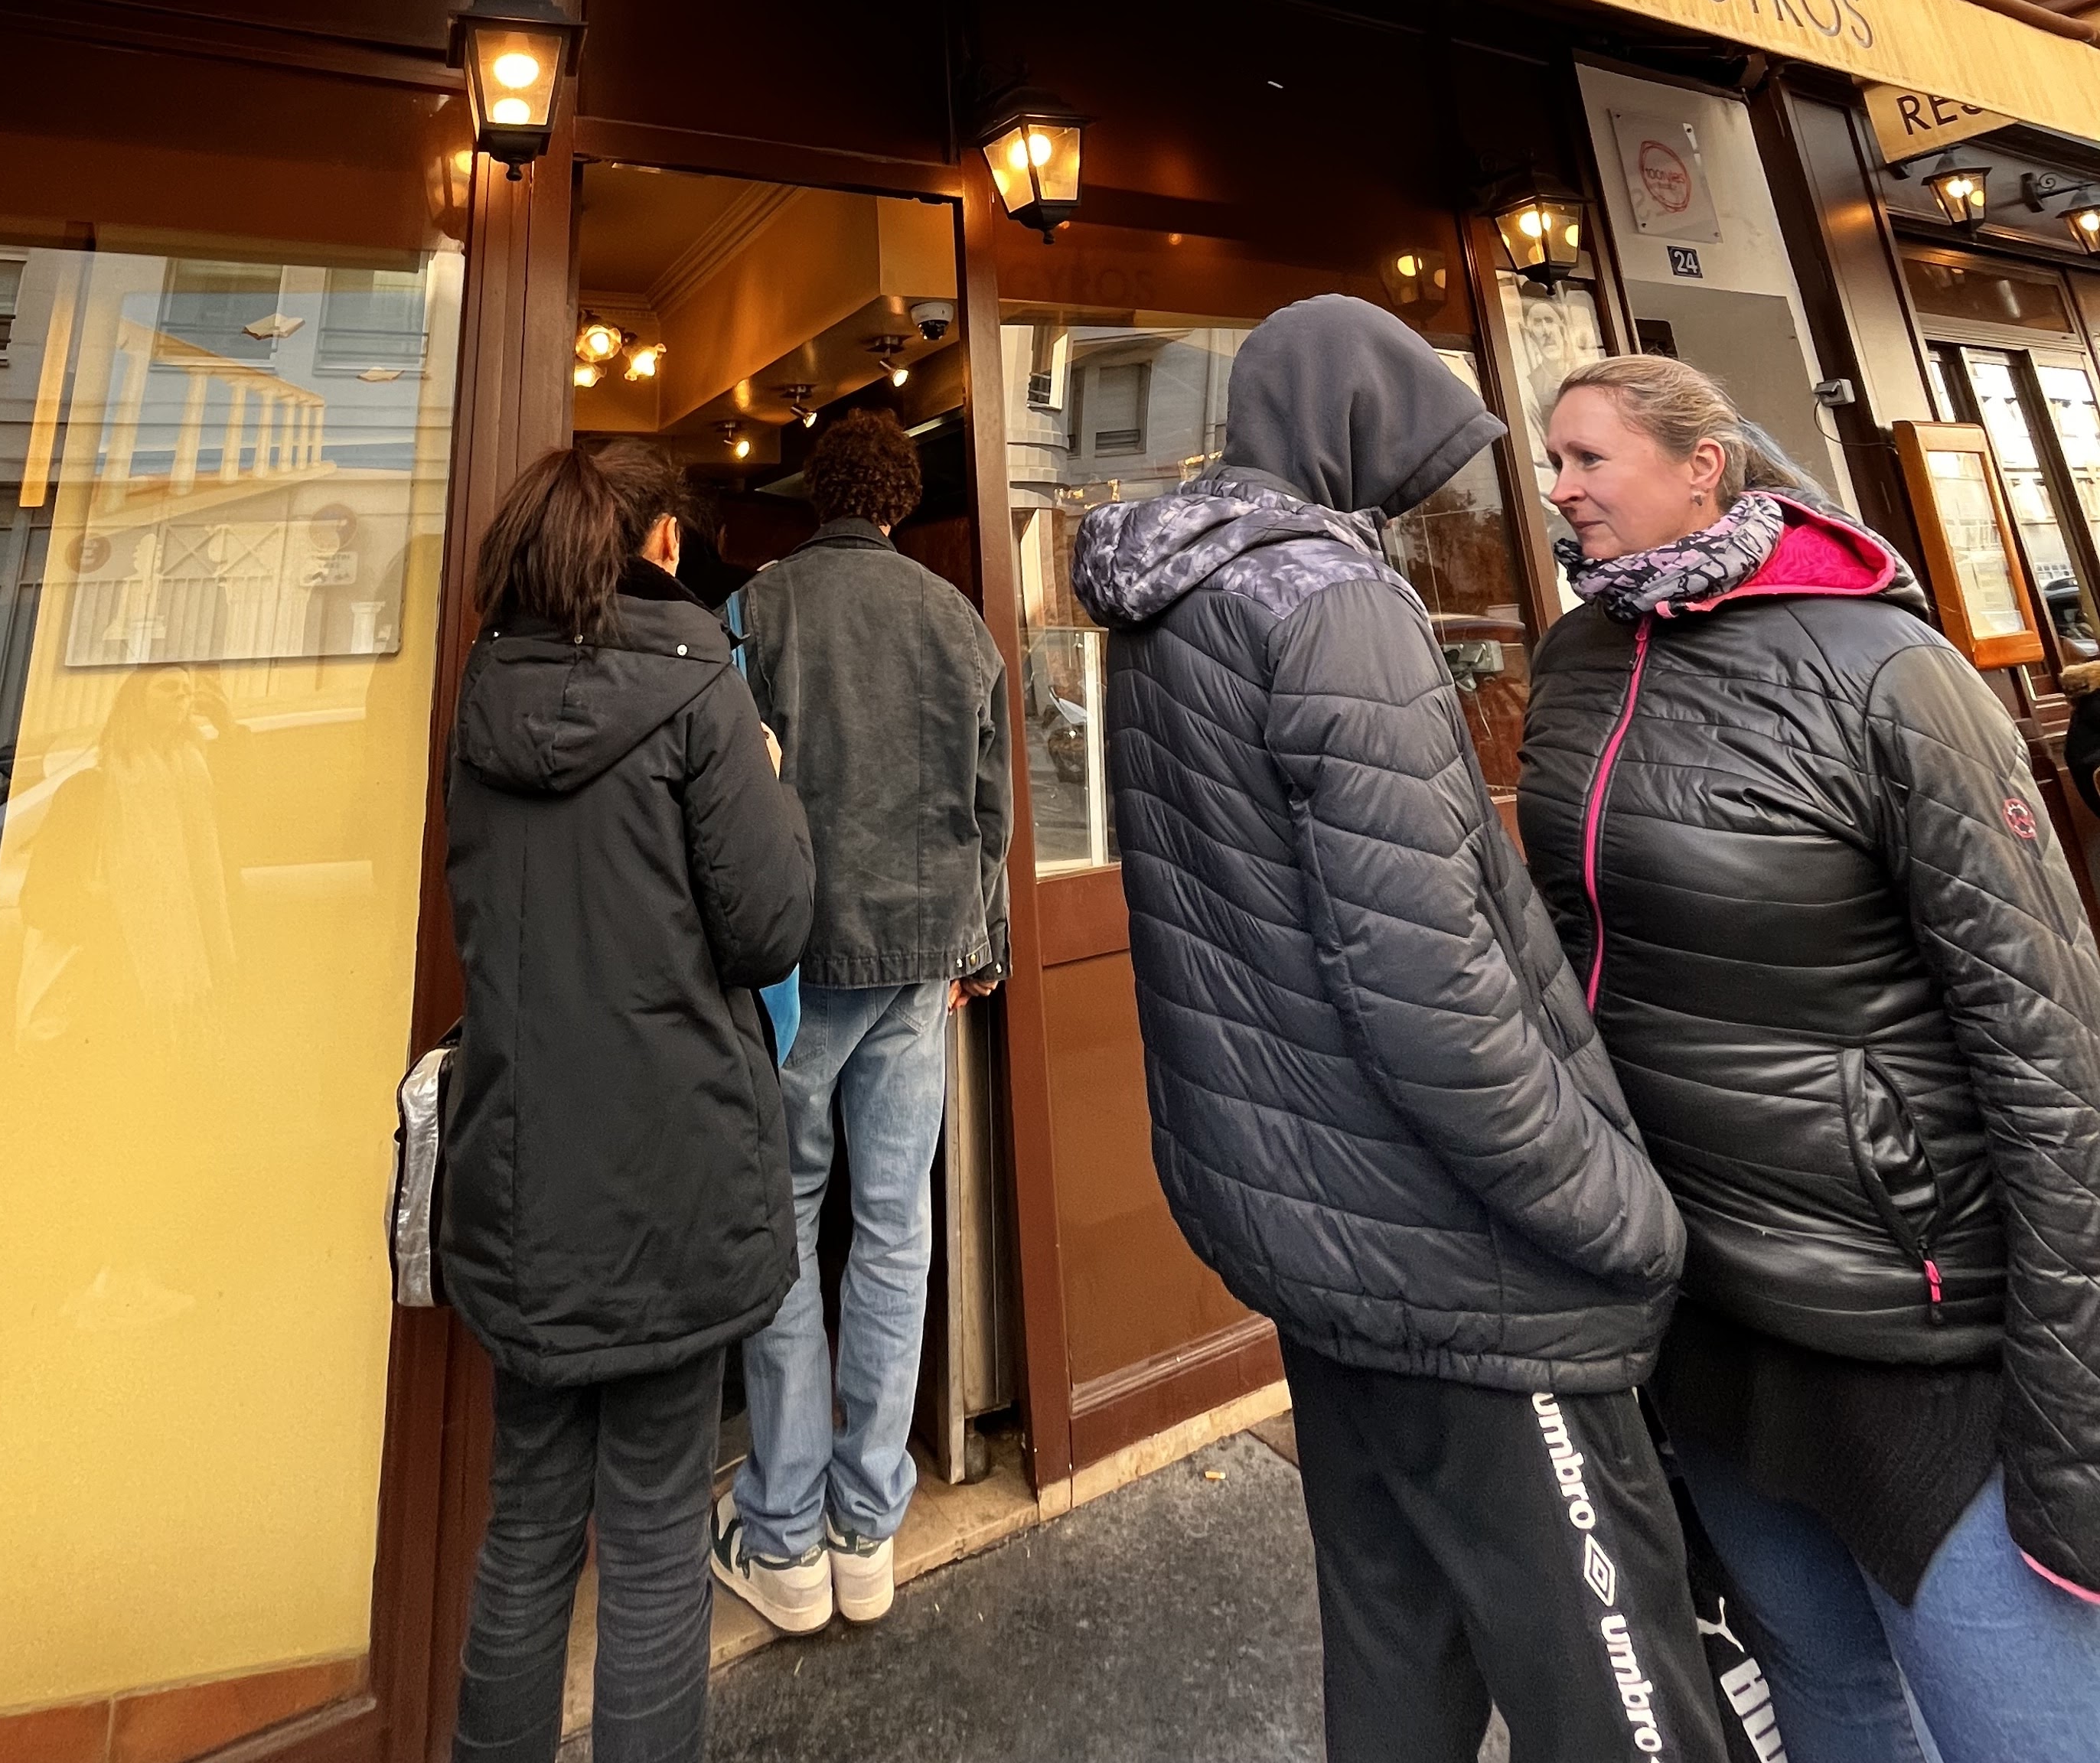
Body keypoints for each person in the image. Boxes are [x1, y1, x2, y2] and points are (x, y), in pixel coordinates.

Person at [1070, 295, 1727, 1763]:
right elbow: (1433, 980)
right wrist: (1620, 1213)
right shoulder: (1330, 601)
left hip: (1313, 1229)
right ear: (1353, 427)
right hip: (1459, 1255)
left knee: (1393, 1638)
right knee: (1616, 1686)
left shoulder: (1175, 599)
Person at [1518, 354, 2100, 1763]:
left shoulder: (1887, 671)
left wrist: (2075, 1389)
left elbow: (2049, 1042)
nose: (1559, 487)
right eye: (1553, 460)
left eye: (1589, 457)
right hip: (1704, 1308)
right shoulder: (1579, 661)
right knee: (1825, 1696)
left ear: (1701, 466)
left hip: (1909, 1329)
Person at [440, 442, 813, 1763]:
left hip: (523, 1174)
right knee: (654, 1541)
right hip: (673, 1177)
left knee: (527, 1529)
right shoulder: (701, 686)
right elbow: (771, 926)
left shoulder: (480, 694)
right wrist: (771, 775)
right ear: (658, 545)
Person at [714, 407, 1010, 1637]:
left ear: (817, 493)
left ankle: (782, 1534)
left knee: (783, 1222)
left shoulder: (760, 607)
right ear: (896, 501)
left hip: (794, 964)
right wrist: (980, 946)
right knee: (896, 1226)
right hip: (921, 962)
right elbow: (990, 806)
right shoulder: (956, 617)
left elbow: (724, 800)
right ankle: (866, 1528)